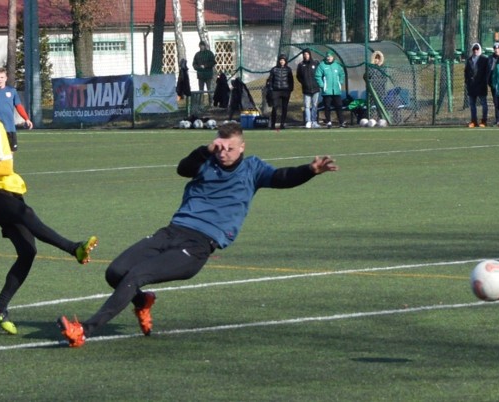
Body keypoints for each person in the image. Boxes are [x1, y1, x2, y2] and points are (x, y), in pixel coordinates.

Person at [57, 122, 338, 347]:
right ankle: (143, 301)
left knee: (135, 275)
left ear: (242, 147)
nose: (223, 152)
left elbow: (282, 177)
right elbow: (183, 169)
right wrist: (204, 150)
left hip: (198, 246)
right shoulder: (206, 161)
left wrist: (311, 170)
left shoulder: (253, 169)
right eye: (219, 146)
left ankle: (85, 331)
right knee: (115, 272)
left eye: (229, 148)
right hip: (171, 232)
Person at [0, 93, 98, 335]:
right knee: (25, 213)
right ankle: (74, 248)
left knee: (28, 251)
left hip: (8, 191)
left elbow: (6, 167)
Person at [0, 67, 33, 152]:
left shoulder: (12, 91)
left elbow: (19, 106)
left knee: (10, 154)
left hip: (10, 128)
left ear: (6, 78)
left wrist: (26, 119)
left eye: (1, 77)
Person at [315, 51, 346, 128]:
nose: (329, 58)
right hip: (327, 91)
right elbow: (317, 76)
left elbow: (342, 74)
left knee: (339, 106)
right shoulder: (322, 65)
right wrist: (322, 85)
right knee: (327, 106)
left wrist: (340, 82)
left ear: (333, 57)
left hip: (336, 91)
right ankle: (328, 122)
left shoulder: (337, 65)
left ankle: (341, 122)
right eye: (328, 56)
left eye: (330, 57)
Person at [464, 43, 490, 127]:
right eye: (474, 49)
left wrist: (485, 81)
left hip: (481, 85)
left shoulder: (484, 59)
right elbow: (466, 72)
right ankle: (474, 121)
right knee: (472, 104)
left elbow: (487, 72)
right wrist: (467, 82)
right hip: (472, 86)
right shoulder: (469, 60)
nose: (475, 51)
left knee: (484, 104)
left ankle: (484, 121)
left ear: (480, 50)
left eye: (477, 49)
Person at [267, 54, 294, 129]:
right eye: (281, 60)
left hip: (285, 91)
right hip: (276, 91)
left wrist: (290, 89)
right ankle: (273, 124)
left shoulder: (288, 69)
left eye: (283, 60)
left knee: (284, 107)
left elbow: (291, 80)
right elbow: (270, 80)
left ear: (285, 61)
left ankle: (282, 123)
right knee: (275, 107)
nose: (282, 61)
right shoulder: (274, 69)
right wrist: (271, 89)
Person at [296, 48, 321, 129]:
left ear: (310, 54)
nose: (306, 55)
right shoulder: (301, 65)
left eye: (307, 54)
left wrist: (317, 83)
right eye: (304, 54)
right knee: (307, 106)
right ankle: (308, 121)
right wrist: (304, 83)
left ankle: (314, 121)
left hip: (315, 89)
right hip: (306, 89)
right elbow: (298, 76)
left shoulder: (316, 63)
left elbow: (320, 74)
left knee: (314, 105)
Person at [192, 41, 217, 105]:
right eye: (200, 45)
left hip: (208, 74)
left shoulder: (209, 53)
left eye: (202, 45)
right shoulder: (197, 54)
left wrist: (205, 66)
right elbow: (194, 64)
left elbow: (213, 62)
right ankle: (201, 104)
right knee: (201, 90)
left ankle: (211, 103)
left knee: (209, 90)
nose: (201, 47)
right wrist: (198, 67)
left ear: (205, 46)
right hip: (200, 75)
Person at [487, 42, 499, 126]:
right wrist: (490, 83)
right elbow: (487, 71)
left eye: (498, 48)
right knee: (496, 102)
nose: (497, 50)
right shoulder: (490, 58)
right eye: (495, 48)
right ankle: (498, 119)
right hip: (494, 84)